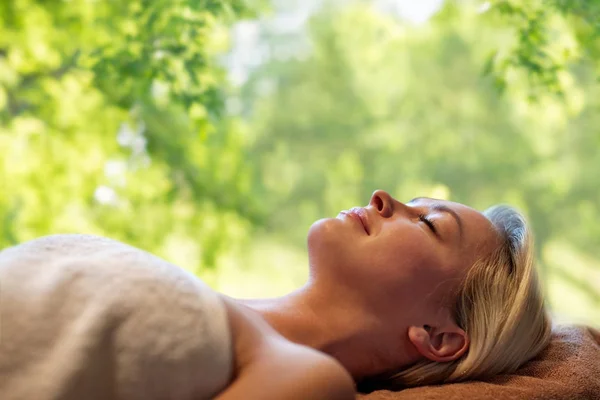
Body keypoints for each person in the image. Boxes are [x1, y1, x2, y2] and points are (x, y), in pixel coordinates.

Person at [0, 190, 551, 399]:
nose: (384, 198)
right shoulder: (214, 305)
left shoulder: (307, 377)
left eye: (429, 223)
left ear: (437, 336)